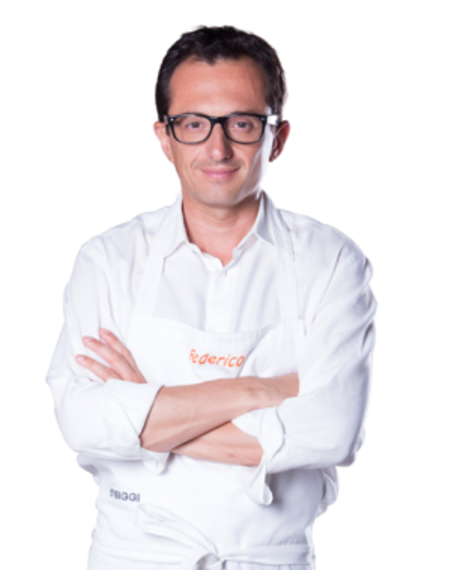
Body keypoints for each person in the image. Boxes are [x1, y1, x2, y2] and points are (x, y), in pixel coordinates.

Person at [45, 22, 379, 570]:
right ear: (163, 137)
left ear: (279, 138)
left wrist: (142, 409)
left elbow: (331, 433)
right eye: (194, 124)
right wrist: (262, 389)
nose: (217, 148)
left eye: (242, 124)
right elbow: (81, 425)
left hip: (270, 560)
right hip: (132, 558)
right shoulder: (107, 258)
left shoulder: (334, 261)